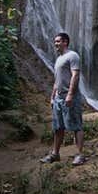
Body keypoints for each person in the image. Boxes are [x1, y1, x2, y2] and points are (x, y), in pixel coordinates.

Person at [40, 32, 85, 165]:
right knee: (58, 127)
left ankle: (80, 154)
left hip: (70, 96)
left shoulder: (72, 56)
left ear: (65, 42)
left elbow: (75, 76)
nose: (55, 44)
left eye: (58, 41)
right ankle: (55, 154)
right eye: (55, 41)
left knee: (76, 125)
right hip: (59, 98)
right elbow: (57, 80)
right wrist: (52, 97)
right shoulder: (59, 59)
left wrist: (70, 94)